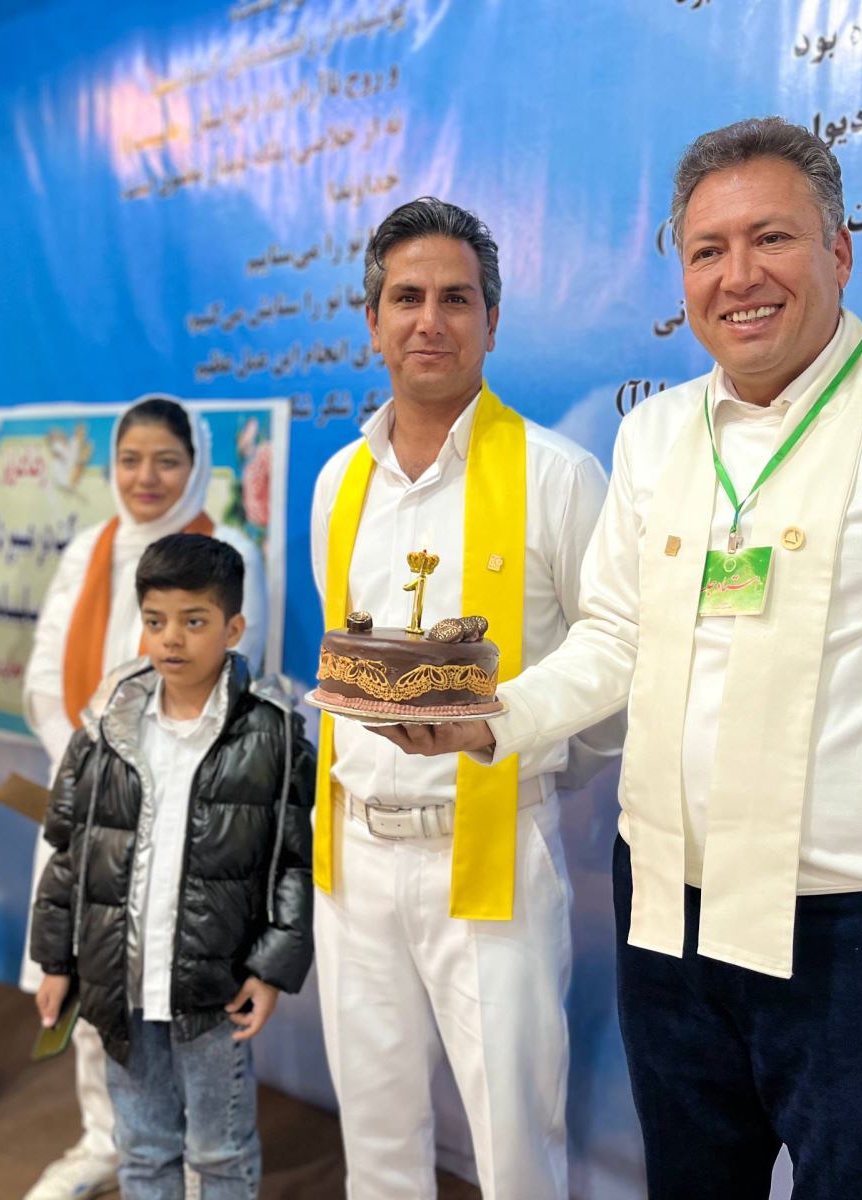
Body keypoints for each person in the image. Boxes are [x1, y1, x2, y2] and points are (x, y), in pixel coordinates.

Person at [375, 118, 862, 1198]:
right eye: (707, 250)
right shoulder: (655, 434)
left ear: (839, 251)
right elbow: (614, 636)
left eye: (772, 239)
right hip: (666, 913)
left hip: (861, 926)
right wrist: (491, 716)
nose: (738, 276)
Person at [311, 196, 620, 1199]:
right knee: (376, 1139)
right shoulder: (338, 482)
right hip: (352, 858)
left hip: (488, 856)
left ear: (492, 320)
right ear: (372, 322)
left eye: (456, 298)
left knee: (515, 1144)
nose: (429, 321)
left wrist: (523, 761)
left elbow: (613, 670)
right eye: (406, 298)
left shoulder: (559, 477)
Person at [20, 396, 268, 1200]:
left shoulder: (226, 551)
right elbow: (42, 674)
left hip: (185, 820)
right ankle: (106, 1140)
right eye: (130, 460)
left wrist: (132, 770)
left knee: (187, 1009)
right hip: (91, 804)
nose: (146, 476)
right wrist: (89, 771)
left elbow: (233, 687)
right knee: (100, 991)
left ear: (195, 464)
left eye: (166, 460)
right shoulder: (86, 549)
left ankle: (201, 1164)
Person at [31, 533, 314, 1200]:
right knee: (143, 1147)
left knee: (220, 1151)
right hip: (121, 983)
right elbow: (70, 849)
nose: (172, 640)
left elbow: (293, 863)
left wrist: (270, 969)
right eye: (156, 622)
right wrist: (57, 961)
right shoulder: (107, 724)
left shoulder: (271, 732)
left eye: (194, 621)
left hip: (214, 990)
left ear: (233, 629)